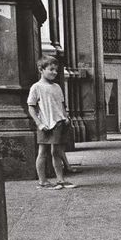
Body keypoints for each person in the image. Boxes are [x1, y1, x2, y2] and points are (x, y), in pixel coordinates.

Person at [27, 55, 77, 189]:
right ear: (41, 69)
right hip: (45, 124)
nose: (54, 72)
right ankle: (42, 181)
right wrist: (39, 123)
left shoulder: (57, 87)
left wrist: (65, 117)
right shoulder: (36, 87)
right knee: (42, 152)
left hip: (59, 123)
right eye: (51, 69)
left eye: (56, 70)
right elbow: (31, 107)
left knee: (57, 152)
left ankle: (60, 180)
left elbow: (61, 105)